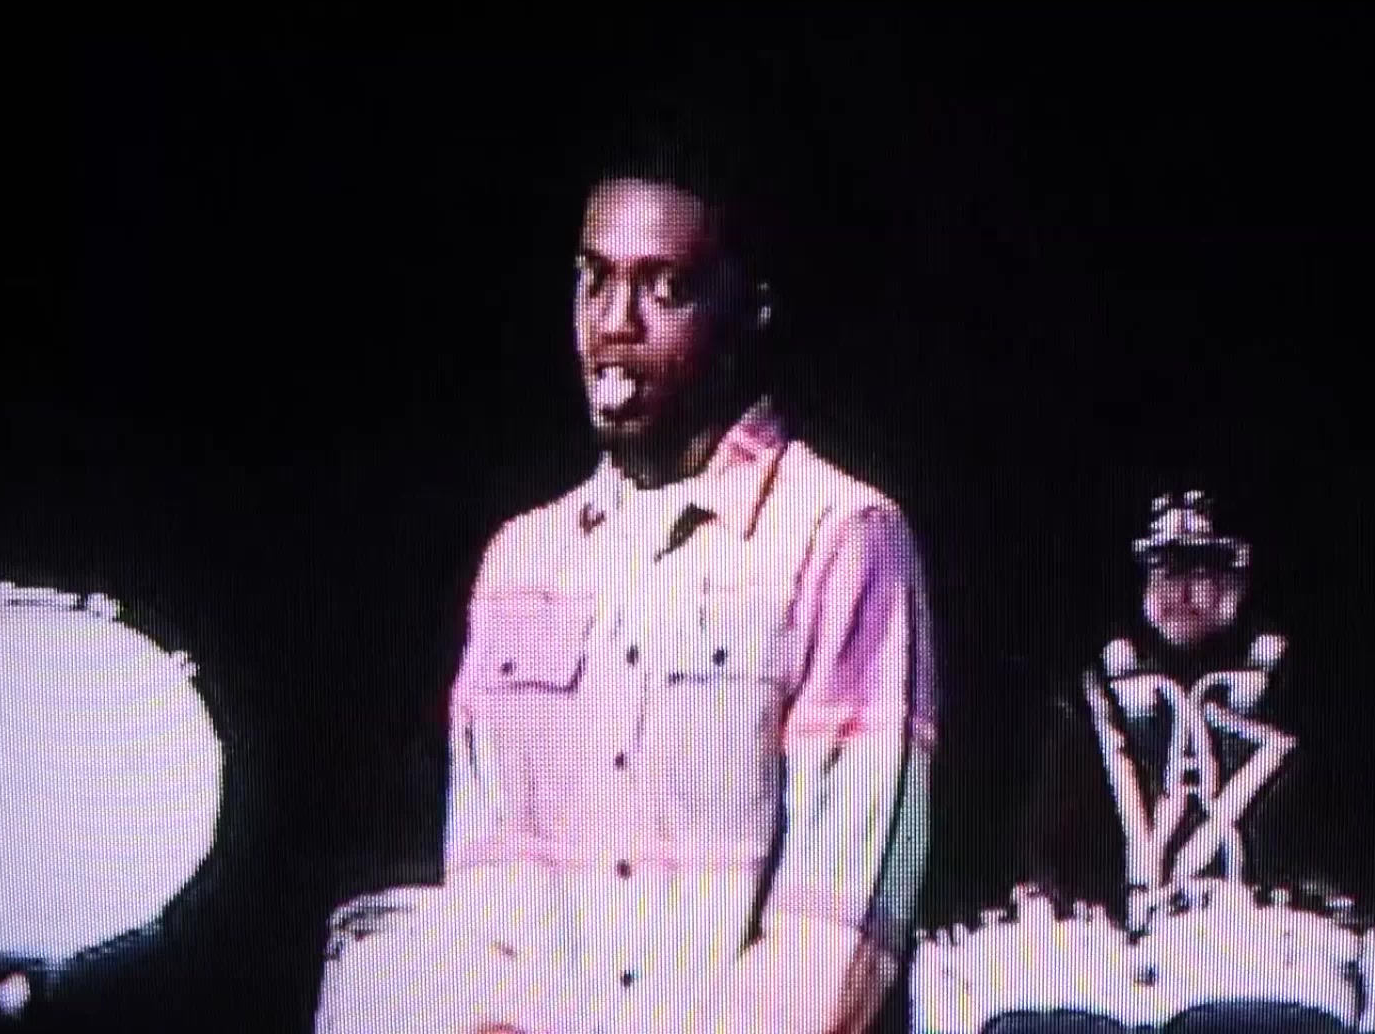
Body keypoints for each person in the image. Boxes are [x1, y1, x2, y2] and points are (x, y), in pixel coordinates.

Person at [316, 124, 938, 1034]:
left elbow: (836, 942)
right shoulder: (520, 563)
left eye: (665, 288)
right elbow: (480, 901)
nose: (614, 323)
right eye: (594, 278)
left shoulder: (839, 539)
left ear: (751, 310)